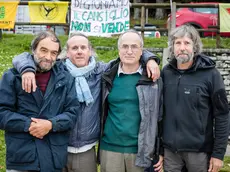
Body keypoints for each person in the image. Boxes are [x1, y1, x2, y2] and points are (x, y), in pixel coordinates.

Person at [12, 32, 161, 172]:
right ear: (66, 53)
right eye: (74, 48)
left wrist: (150, 59)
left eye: (83, 47)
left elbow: (129, 55)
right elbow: (26, 57)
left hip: (86, 148)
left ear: (90, 51)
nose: (79, 51)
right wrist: (27, 69)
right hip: (56, 143)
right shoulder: (56, 70)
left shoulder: (102, 71)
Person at [0, 31, 80, 172]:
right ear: (33, 50)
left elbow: (72, 113)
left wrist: (50, 124)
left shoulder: (66, 79)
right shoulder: (12, 77)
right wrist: (29, 124)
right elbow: (2, 113)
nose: (48, 57)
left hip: (53, 158)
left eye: (54, 53)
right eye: (43, 50)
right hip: (22, 158)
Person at [162, 24, 229, 172]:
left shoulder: (211, 74)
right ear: (172, 47)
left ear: (195, 46)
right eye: (178, 43)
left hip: (199, 153)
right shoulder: (166, 73)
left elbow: (223, 115)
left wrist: (218, 154)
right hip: (170, 152)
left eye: (187, 43)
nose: (182, 47)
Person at [99, 29, 164, 172]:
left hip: (141, 151)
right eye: (124, 46)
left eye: (134, 47)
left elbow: (161, 117)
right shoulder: (107, 75)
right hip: (110, 149)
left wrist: (161, 150)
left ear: (142, 51)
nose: (129, 51)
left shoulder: (153, 79)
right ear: (118, 50)